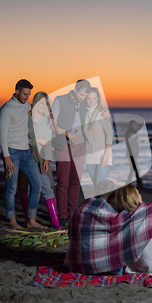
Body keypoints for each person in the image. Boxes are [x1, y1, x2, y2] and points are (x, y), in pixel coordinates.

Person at [64, 182, 152, 275]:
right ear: (114, 195)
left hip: (74, 262)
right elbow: (133, 220)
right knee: (121, 236)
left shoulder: (80, 208)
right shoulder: (111, 213)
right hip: (93, 266)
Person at [0, 79, 44, 229]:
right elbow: (2, 135)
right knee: (11, 188)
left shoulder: (28, 106)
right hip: (12, 153)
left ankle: (31, 220)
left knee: (37, 184)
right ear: (16, 92)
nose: (27, 97)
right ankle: (12, 221)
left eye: (29, 95)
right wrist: (7, 158)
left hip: (26, 152)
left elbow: (41, 116)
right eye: (24, 94)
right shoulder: (7, 109)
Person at [51, 79, 91, 228]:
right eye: (81, 94)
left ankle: (72, 214)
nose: (82, 98)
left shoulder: (84, 104)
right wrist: (67, 133)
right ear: (75, 89)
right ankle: (62, 216)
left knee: (75, 182)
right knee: (63, 182)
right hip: (63, 144)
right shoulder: (60, 100)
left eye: (85, 96)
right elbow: (52, 125)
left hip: (80, 146)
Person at [27, 92, 61, 229]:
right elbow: (21, 136)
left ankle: (55, 221)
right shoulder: (26, 117)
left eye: (46, 103)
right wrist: (35, 140)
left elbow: (48, 140)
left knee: (47, 187)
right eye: (41, 102)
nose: (43, 106)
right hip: (27, 155)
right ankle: (31, 220)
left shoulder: (47, 119)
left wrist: (46, 160)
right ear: (35, 102)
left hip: (41, 158)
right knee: (32, 187)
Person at [83, 88, 114, 195]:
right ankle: (101, 209)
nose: (91, 101)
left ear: (98, 100)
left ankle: (103, 210)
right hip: (89, 157)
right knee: (96, 188)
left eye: (94, 98)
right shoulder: (83, 115)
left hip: (103, 156)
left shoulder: (102, 114)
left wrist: (106, 154)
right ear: (85, 99)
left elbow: (109, 134)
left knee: (100, 187)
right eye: (88, 98)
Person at [125, 120, 141, 185]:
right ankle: (139, 184)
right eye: (135, 124)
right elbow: (134, 143)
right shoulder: (132, 133)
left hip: (131, 154)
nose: (136, 126)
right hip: (132, 154)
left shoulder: (131, 133)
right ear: (131, 126)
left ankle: (128, 184)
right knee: (136, 170)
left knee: (133, 170)